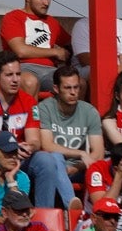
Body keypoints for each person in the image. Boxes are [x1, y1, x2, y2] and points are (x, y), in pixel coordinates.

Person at [24, 65, 102, 209]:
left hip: (80, 168)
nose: (73, 92)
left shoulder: (89, 111)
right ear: (56, 88)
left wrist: (77, 167)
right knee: (55, 157)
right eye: (67, 88)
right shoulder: (45, 108)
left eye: (76, 87)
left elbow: (98, 152)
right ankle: (72, 205)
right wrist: (80, 153)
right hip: (53, 167)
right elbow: (47, 145)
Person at [0, 0, 72, 95]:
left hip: (51, 71)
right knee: (30, 82)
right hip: (22, 68)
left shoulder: (52, 22)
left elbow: (71, 44)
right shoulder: (13, 18)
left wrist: (67, 55)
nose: (46, 3)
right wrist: (55, 52)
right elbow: (20, 51)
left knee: (77, 83)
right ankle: (33, 115)